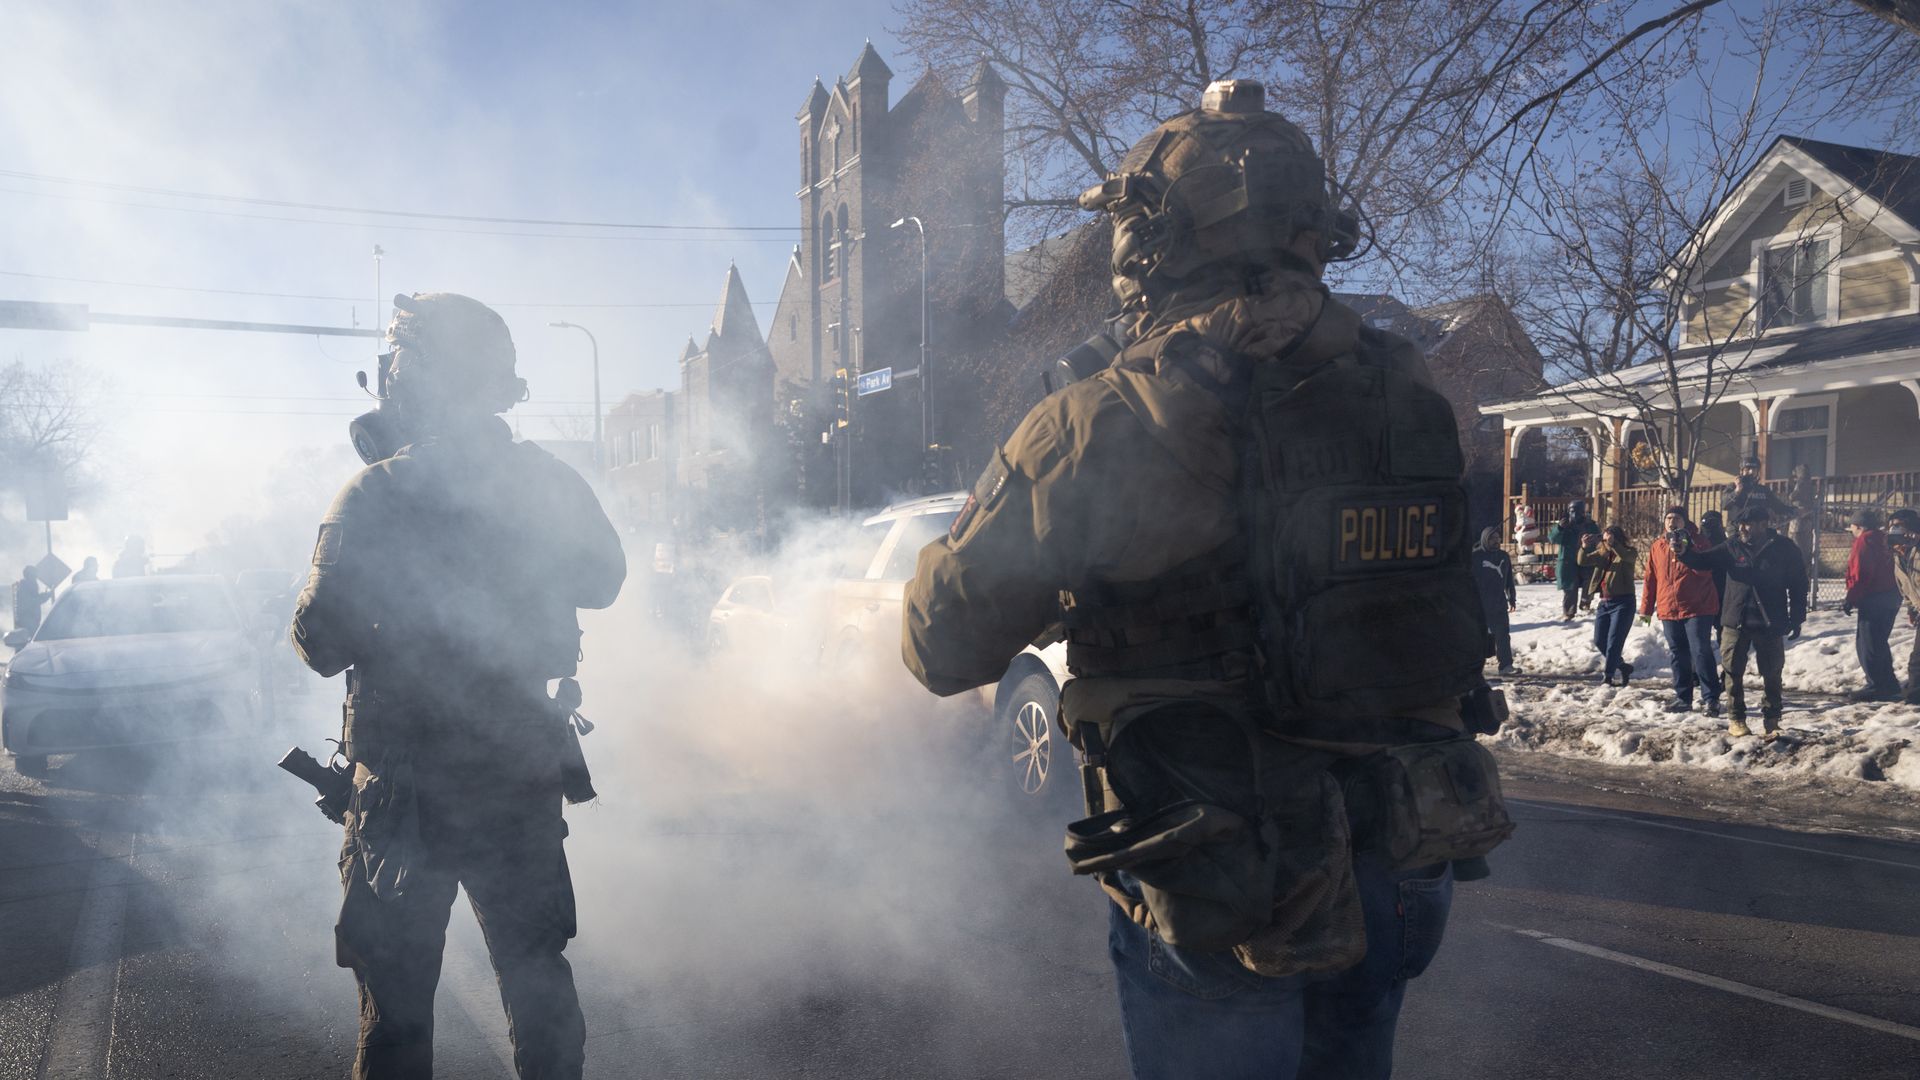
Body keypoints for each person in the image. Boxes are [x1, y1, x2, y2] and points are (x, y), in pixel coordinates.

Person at [902, 80, 1507, 1080]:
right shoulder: (1405, 387)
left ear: (1152, 236)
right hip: (1405, 842)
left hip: (1224, 869)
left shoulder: (1098, 417)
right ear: (1313, 225)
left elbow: (941, 644)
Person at [291, 293, 626, 1080]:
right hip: (516, 778)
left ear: (408, 381)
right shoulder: (545, 482)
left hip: (406, 800)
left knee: (398, 1020)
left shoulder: (375, 493)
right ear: (497, 382)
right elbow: (604, 580)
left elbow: (318, 643)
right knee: (539, 990)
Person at [1678, 505, 1808, 740]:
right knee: (1731, 671)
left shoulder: (1784, 549)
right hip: (1735, 620)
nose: (1742, 528)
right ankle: (1736, 718)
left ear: (1763, 524)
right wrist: (1683, 551)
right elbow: (1701, 561)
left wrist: (1797, 616)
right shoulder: (1732, 546)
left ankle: (1772, 719)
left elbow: (1798, 584)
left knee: (1772, 673)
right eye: (1740, 524)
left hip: (1770, 621)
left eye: (1748, 524)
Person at [1640, 506, 1723, 715]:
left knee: (1701, 651)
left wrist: (1687, 548)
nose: (1671, 521)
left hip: (1698, 607)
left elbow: (1705, 568)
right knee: (1678, 654)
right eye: (1668, 518)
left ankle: (1711, 698)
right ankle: (1682, 697)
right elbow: (1651, 578)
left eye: (1676, 518)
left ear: (1685, 521)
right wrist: (1646, 609)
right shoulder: (1658, 545)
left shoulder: (1700, 541)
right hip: (1669, 608)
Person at [1842, 507, 1902, 702]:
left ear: (1858, 526)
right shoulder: (1884, 539)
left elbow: (1861, 573)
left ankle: (1876, 685)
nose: (1850, 530)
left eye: (1851, 526)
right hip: (1892, 595)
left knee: (1867, 643)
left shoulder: (1865, 540)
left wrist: (1851, 597)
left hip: (1874, 596)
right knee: (1879, 641)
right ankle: (1889, 682)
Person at [1577, 526, 1639, 686]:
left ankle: (1608, 676)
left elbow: (1626, 556)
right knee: (1599, 640)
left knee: (1614, 642)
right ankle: (1622, 666)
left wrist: (1614, 545)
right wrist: (1584, 547)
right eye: (1604, 539)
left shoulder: (1629, 552)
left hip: (1623, 602)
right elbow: (1582, 561)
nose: (1605, 542)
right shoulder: (1602, 554)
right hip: (1604, 602)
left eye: (1609, 538)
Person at [1884, 508, 1920, 703]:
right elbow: (1907, 587)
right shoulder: (1899, 556)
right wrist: (1911, 608)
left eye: (1900, 527)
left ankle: (1914, 697)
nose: (1895, 532)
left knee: (1917, 661)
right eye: (1892, 527)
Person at [1473, 526, 1519, 675]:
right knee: (1477, 637)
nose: (1496, 541)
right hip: (1479, 604)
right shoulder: (1475, 557)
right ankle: (1474, 669)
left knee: (1503, 635)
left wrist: (1512, 597)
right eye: (1492, 538)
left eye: (1498, 538)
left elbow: (1508, 580)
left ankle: (1506, 666)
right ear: (1485, 539)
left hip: (1498, 603)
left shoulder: (1504, 556)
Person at [1551, 500, 1601, 621]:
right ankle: (1569, 612)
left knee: (1589, 582)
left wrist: (1594, 538)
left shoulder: (1590, 525)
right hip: (1568, 561)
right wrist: (1560, 528)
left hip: (1586, 558)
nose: (1575, 514)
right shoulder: (1564, 525)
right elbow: (1553, 538)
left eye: (1578, 511)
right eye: (1572, 511)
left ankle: (1585, 603)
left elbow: (1599, 537)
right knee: (1570, 588)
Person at [1722, 455, 1794, 523]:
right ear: (1741, 471)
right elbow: (1724, 505)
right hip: (1737, 529)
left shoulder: (1763, 490)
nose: (1751, 472)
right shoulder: (1733, 486)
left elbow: (1778, 506)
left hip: (1758, 530)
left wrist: (1794, 510)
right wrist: (1737, 491)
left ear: (1757, 471)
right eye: (1747, 469)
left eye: (1754, 469)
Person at [1786, 464, 1819, 568]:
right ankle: (1806, 566)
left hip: (1799, 518)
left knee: (1796, 541)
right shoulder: (1811, 484)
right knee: (1805, 545)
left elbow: (1792, 496)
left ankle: (1799, 565)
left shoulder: (1801, 483)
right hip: (1807, 518)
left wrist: (1790, 495)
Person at [9, 566, 53, 637]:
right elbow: (33, 601)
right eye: (34, 576)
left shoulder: (28, 586)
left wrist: (46, 595)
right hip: (27, 622)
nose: (36, 578)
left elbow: (35, 598)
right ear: (30, 576)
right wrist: (47, 595)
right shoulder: (25, 587)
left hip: (31, 621)